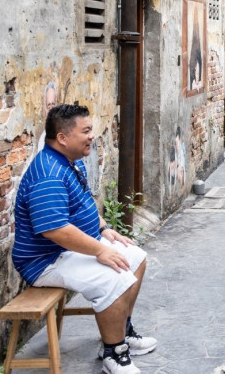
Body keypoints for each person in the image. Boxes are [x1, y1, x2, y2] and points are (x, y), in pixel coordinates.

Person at [11, 104, 156, 374]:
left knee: (135, 258)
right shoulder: (48, 175)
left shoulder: (69, 161)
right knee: (115, 276)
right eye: (86, 131)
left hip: (65, 250)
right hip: (45, 261)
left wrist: (103, 229)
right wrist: (100, 251)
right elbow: (54, 230)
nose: (92, 136)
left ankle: (119, 334)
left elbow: (82, 204)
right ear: (63, 138)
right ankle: (114, 355)